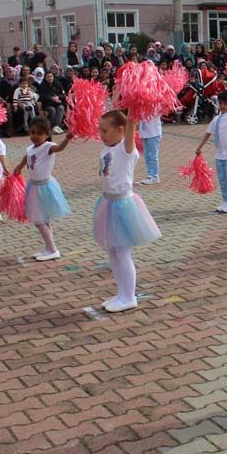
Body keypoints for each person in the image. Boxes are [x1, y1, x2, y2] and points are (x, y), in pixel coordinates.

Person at [94, 109, 161, 313]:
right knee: (112, 252)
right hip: (108, 203)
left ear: (120, 131)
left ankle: (129, 296)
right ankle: (121, 293)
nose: (101, 134)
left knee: (122, 253)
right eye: (100, 130)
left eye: (105, 131)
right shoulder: (107, 148)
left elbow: (132, 121)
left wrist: (133, 104)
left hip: (123, 204)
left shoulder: (126, 148)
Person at [11, 117, 73, 261]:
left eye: (39, 133)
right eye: (32, 133)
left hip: (45, 187)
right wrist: (19, 167)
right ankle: (48, 247)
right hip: (33, 186)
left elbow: (60, 148)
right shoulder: (31, 148)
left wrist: (67, 139)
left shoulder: (48, 146)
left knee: (39, 220)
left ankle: (53, 250)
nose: (35, 136)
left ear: (46, 134)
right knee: (43, 220)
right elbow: (26, 157)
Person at [195, 87, 227, 213]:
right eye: (221, 103)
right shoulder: (216, 119)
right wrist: (199, 147)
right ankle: (226, 200)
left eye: (226, 103)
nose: (222, 106)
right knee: (222, 179)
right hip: (219, 154)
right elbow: (208, 133)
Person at [138, 115, 163, 185]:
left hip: (154, 133)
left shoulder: (156, 104)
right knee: (147, 155)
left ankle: (154, 176)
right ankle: (149, 175)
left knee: (153, 155)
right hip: (144, 133)